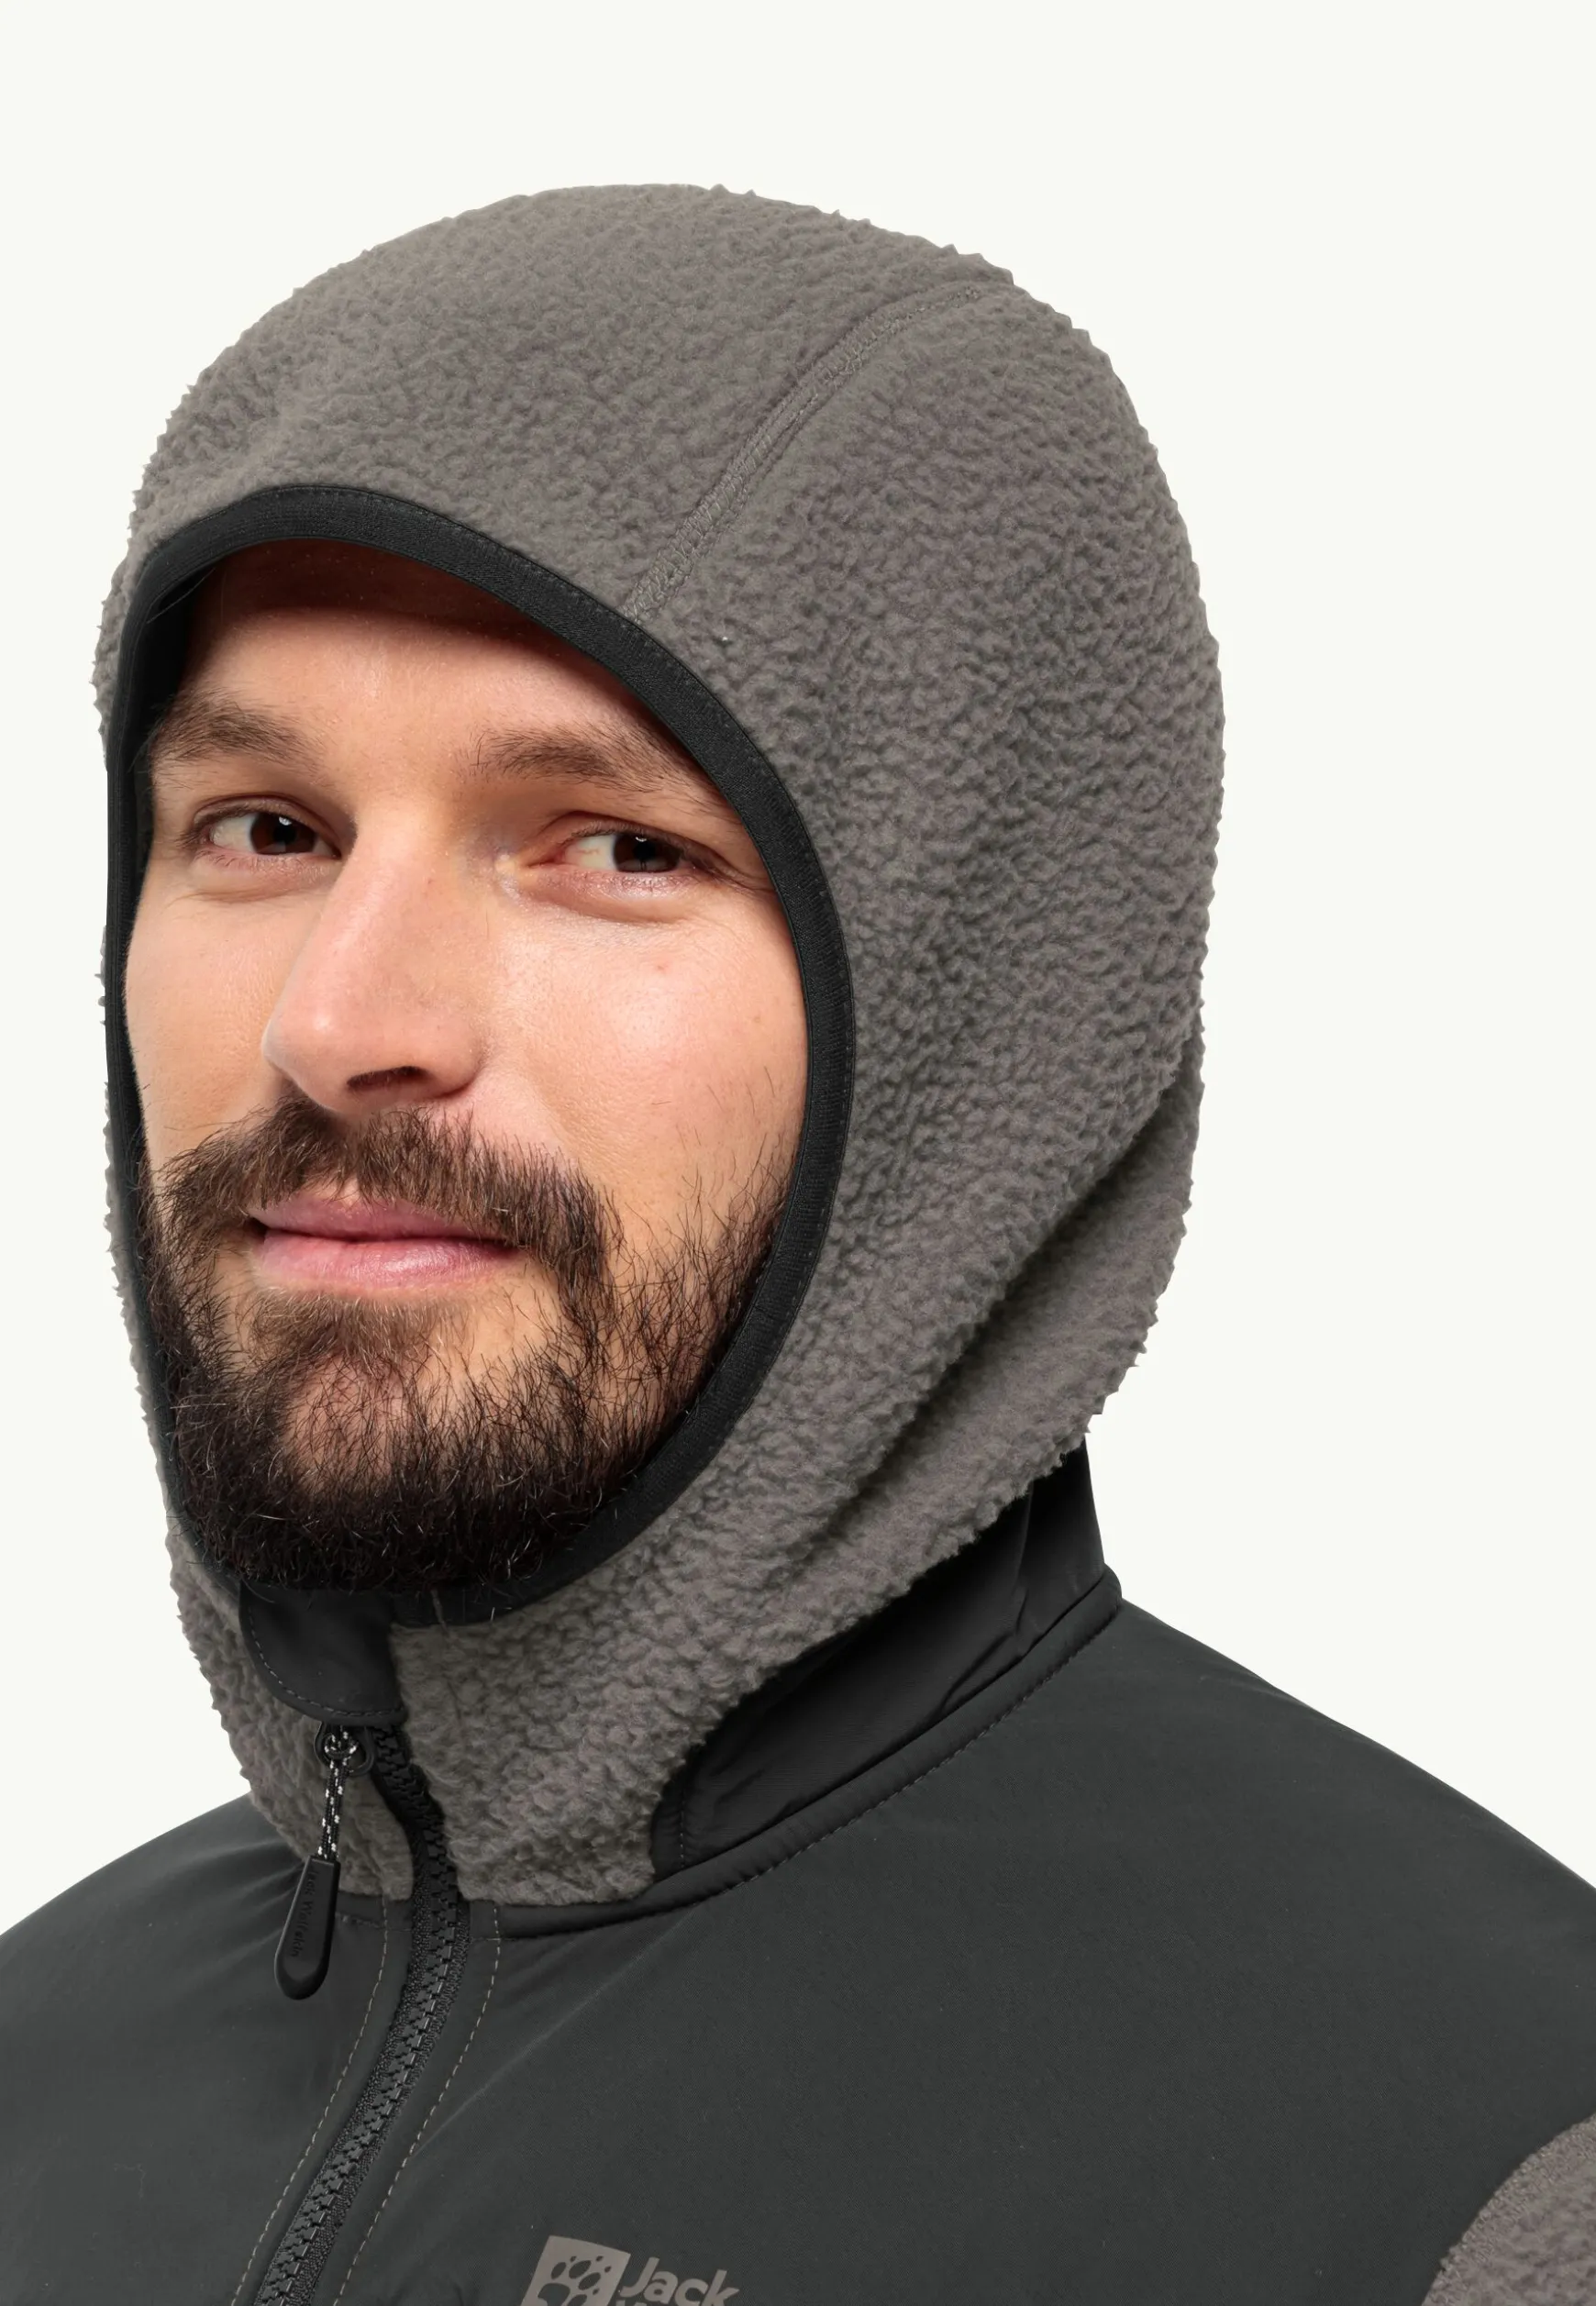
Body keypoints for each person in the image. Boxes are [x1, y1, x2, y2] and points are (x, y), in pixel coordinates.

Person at [0, 185, 1590, 2306]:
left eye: (613, 847)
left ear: (973, 1011)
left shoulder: (1480, 2170)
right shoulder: (38, 2064)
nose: (337, 1022)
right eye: (267, 830)